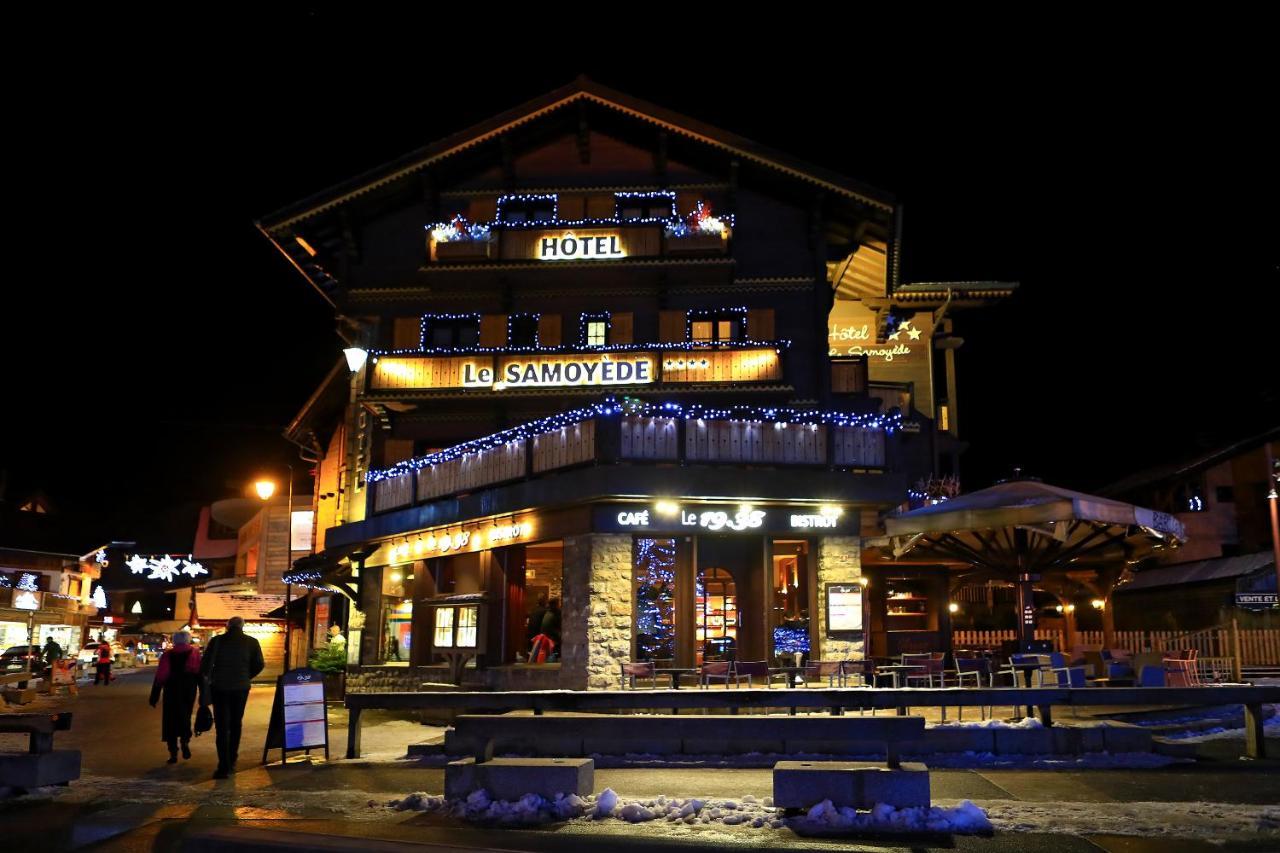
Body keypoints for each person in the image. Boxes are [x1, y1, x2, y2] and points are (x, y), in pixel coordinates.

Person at [200, 616, 264, 779]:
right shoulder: (252, 642)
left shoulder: (217, 641)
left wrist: (212, 678)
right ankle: (233, 759)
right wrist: (246, 676)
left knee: (222, 727)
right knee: (236, 723)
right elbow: (260, 664)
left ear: (227, 626)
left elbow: (205, 665)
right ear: (242, 626)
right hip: (241, 688)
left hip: (220, 688)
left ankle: (223, 766)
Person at [149, 631, 202, 763]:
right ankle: (185, 741)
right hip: (188, 690)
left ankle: (173, 753)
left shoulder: (168, 655)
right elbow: (199, 673)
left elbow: (161, 675)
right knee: (185, 716)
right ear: (188, 640)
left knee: (170, 720)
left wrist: (154, 696)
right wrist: (204, 693)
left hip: (171, 690)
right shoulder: (195, 653)